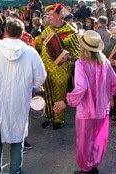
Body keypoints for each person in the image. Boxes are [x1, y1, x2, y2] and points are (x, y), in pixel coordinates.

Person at [0, 18, 46, 174]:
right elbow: (41, 78)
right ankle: (15, 171)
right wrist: (32, 83)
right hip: (18, 101)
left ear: (5, 31)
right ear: (22, 34)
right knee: (17, 137)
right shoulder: (30, 53)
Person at [53, 30, 116, 174]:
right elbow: (113, 82)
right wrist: (109, 97)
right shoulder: (105, 62)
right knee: (98, 141)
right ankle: (94, 167)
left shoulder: (82, 64)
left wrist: (66, 101)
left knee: (84, 142)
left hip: (86, 112)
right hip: (102, 110)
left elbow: (81, 88)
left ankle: (86, 169)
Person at [35, 3, 80, 130]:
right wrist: (39, 38)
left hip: (60, 71)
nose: (49, 18)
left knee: (58, 96)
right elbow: (38, 44)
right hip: (46, 69)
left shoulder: (70, 32)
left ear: (59, 16)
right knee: (47, 94)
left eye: (51, 15)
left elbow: (77, 53)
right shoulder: (48, 29)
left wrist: (69, 57)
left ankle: (58, 119)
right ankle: (49, 117)